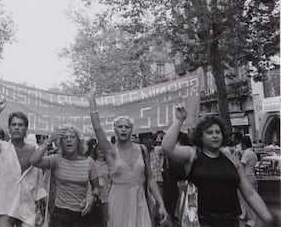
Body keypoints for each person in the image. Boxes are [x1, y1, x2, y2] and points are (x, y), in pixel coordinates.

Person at [161, 106, 275, 227]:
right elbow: (167, 147)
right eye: (209, 132)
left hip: (231, 221)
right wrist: (179, 120)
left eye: (218, 132)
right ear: (201, 136)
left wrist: (268, 218)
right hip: (201, 221)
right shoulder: (192, 155)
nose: (215, 136)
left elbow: (250, 193)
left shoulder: (233, 160)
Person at [88, 85, 168, 227]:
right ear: (115, 129)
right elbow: (97, 128)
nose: (123, 129)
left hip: (141, 200)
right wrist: (92, 102)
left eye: (127, 127)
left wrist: (161, 204)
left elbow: (150, 178)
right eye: (120, 126)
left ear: (132, 130)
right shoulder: (110, 151)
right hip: (119, 200)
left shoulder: (142, 149)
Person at [0, 100, 47, 227]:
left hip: (27, 204)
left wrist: (39, 208)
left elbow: (39, 182)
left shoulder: (34, 150)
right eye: (13, 124)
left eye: (21, 125)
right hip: (4, 204)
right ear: (9, 129)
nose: (17, 127)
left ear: (26, 129)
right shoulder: (1, 147)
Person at [29, 124, 100, 227]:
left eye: (72, 137)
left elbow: (96, 188)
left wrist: (92, 198)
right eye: (65, 138)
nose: (69, 140)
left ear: (78, 141)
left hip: (82, 214)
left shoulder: (89, 162)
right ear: (61, 143)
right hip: (60, 215)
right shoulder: (57, 159)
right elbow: (34, 161)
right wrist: (49, 140)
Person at [240, 136, 259, 227]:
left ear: (244, 144)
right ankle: (250, 218)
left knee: (248, 200)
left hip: (247, 177)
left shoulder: (246, 153)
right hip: (253, 176)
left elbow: (241, 165)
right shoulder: (253, 153)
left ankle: (252, 221)